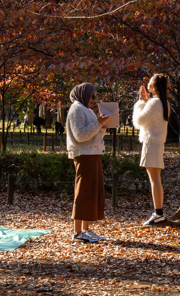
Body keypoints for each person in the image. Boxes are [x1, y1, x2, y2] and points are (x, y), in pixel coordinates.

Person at [66, 82, 111, 244]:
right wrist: (98, 122)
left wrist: (103, 124)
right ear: (84, 94)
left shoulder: (87, 110)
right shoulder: (76, 109)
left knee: (92, 192)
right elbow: (80, 135)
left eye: (95, 96)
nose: (94, 99)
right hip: (84, 155)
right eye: (92, 95)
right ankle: (77, 232)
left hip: (93, 153)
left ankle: (85, 229)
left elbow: (95, 134)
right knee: (84, 192)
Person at [133, 73, 170, 225]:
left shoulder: (154, 103)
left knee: (154, 179)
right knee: (156, 179)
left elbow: (139, 121)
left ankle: (158, 213)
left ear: (154, 86)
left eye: (150, 82)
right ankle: (159, 212)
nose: (147, 84)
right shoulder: (164, 103)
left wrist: (141, 102)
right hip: (158, 143)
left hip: (151, 143)